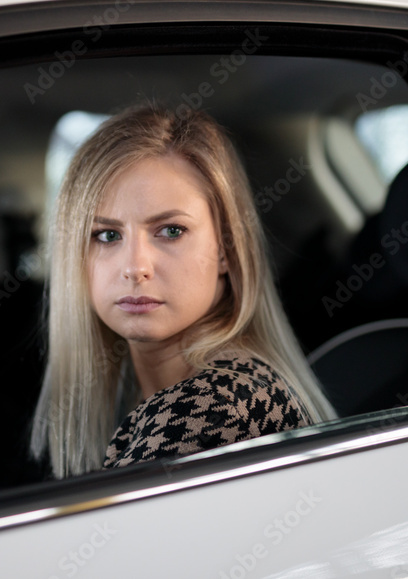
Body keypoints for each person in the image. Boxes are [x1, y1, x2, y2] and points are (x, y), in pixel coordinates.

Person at [30, 103, 335, 478]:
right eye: (107, 235)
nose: (135, 267)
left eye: (171, 230)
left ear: (226, 247)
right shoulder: (179, 396)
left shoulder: (211, 411)